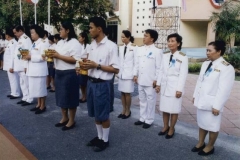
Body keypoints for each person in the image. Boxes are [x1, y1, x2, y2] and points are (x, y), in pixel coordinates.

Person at [191, 40, 235, 156]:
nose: (207, 53)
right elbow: (199, 81)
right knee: (202, 123)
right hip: (202, 100)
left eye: (210, 51)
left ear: (219, 52)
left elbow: (224, 90)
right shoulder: (206, 64)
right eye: (207, 50)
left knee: (212, 126)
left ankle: (210, 146)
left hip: (213, 103)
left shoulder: (226, 67)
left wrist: (217, 106)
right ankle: (200, 143)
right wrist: (195, 95)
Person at [83, 17, 119, 152]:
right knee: (95, 113)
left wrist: (96, 65)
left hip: (102, 84)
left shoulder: (111, 46)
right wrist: (84, 66)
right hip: (91, 82)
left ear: (99, 29)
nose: (89, 30)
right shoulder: (91, 45)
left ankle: (105, 140)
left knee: (103, 114)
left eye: (91, 27)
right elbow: (89, 63)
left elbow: (116, 69)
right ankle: (99, 137)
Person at [155, 33, 188, 139]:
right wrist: (158, 84)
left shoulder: (182, 56)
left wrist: (179, 89)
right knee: (165, 108)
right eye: (169, 41)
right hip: (165, 86)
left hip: (175, 87)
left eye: (173, 41)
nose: (170, 43)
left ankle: (172, 128)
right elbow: (161, 70)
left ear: (178, 43)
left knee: (174, 109)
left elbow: (183, 75)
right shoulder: (165, 55)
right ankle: (165, 126)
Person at [51, 21, 81, 131]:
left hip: (69, 73)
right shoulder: (60, 42)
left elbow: (75, 60)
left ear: (67, 30)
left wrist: (58, 56)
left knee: (70, 97)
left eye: (61, 29)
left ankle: (72, 120)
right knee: (61, 97)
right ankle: (64, 117)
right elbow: (56, 54)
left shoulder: (74, 43)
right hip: (59, 72)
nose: (59, 31)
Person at [133, 29, 162, 129]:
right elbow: (136, 63)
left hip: (150, 81)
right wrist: (135, 75)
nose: (143, 37)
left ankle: (149, 120)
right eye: (144, 35)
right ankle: (142, 118)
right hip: (141, 79)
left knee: (150, 101)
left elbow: (159, 68)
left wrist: (156, 80)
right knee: (142, 100)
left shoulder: (157, 51)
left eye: (146, 36)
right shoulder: (140, 49)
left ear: (152, 39)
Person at [24, 25, 49, 114]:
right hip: (33, 69)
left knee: (41, 88)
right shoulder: (34, 43)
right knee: (36, 88)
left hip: (39, 70)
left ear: (38, 33)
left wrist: (31, 57)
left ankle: (43, 106)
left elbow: (44, 57)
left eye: (33, 33)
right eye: (31, 33)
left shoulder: (43, 43)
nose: (31, 35)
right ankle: (38, 104)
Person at [117, 30, 137, 119]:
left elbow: (136, 62)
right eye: (121, 37)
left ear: (129, 37)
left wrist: (135, 74)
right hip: (121, 73)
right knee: (122, 93)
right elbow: (119, 60)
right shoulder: (121, 47)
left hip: (129, 74)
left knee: (127, 93)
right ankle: (123, 109)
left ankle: (128, 111)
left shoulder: (134, 47)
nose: (122, 39)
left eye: (124, 37)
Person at [13, 25, 33, 106]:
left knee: (27, 82)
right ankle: (25, 97)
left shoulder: (26, 39)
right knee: (22, 82)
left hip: (23, 65)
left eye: (16, 32)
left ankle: (30, 98)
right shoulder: (20, 39)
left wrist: (25, 66)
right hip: (19, 65)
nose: (15, 34)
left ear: (20, 31)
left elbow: (26, 53)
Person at [3, 28, 21, 99]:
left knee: (14, 79)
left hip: (11, 65)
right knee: (12, 80)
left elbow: (13, 56)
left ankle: (16, 93)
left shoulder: (13, 43)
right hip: (8, 65)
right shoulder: (10, 43)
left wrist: (12, 66)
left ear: (8, 35)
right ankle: (13, 92)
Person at [78, 32, 90, 103]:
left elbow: (88, 56)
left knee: (85, 83)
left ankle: (85, 96)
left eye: (80, 37)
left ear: (84, 38)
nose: (78, 38)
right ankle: (83, 95)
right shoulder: (79, 46)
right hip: (79, 65)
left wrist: (84, 59)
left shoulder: (88, 46)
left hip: (85, 65)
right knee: (81, 83)